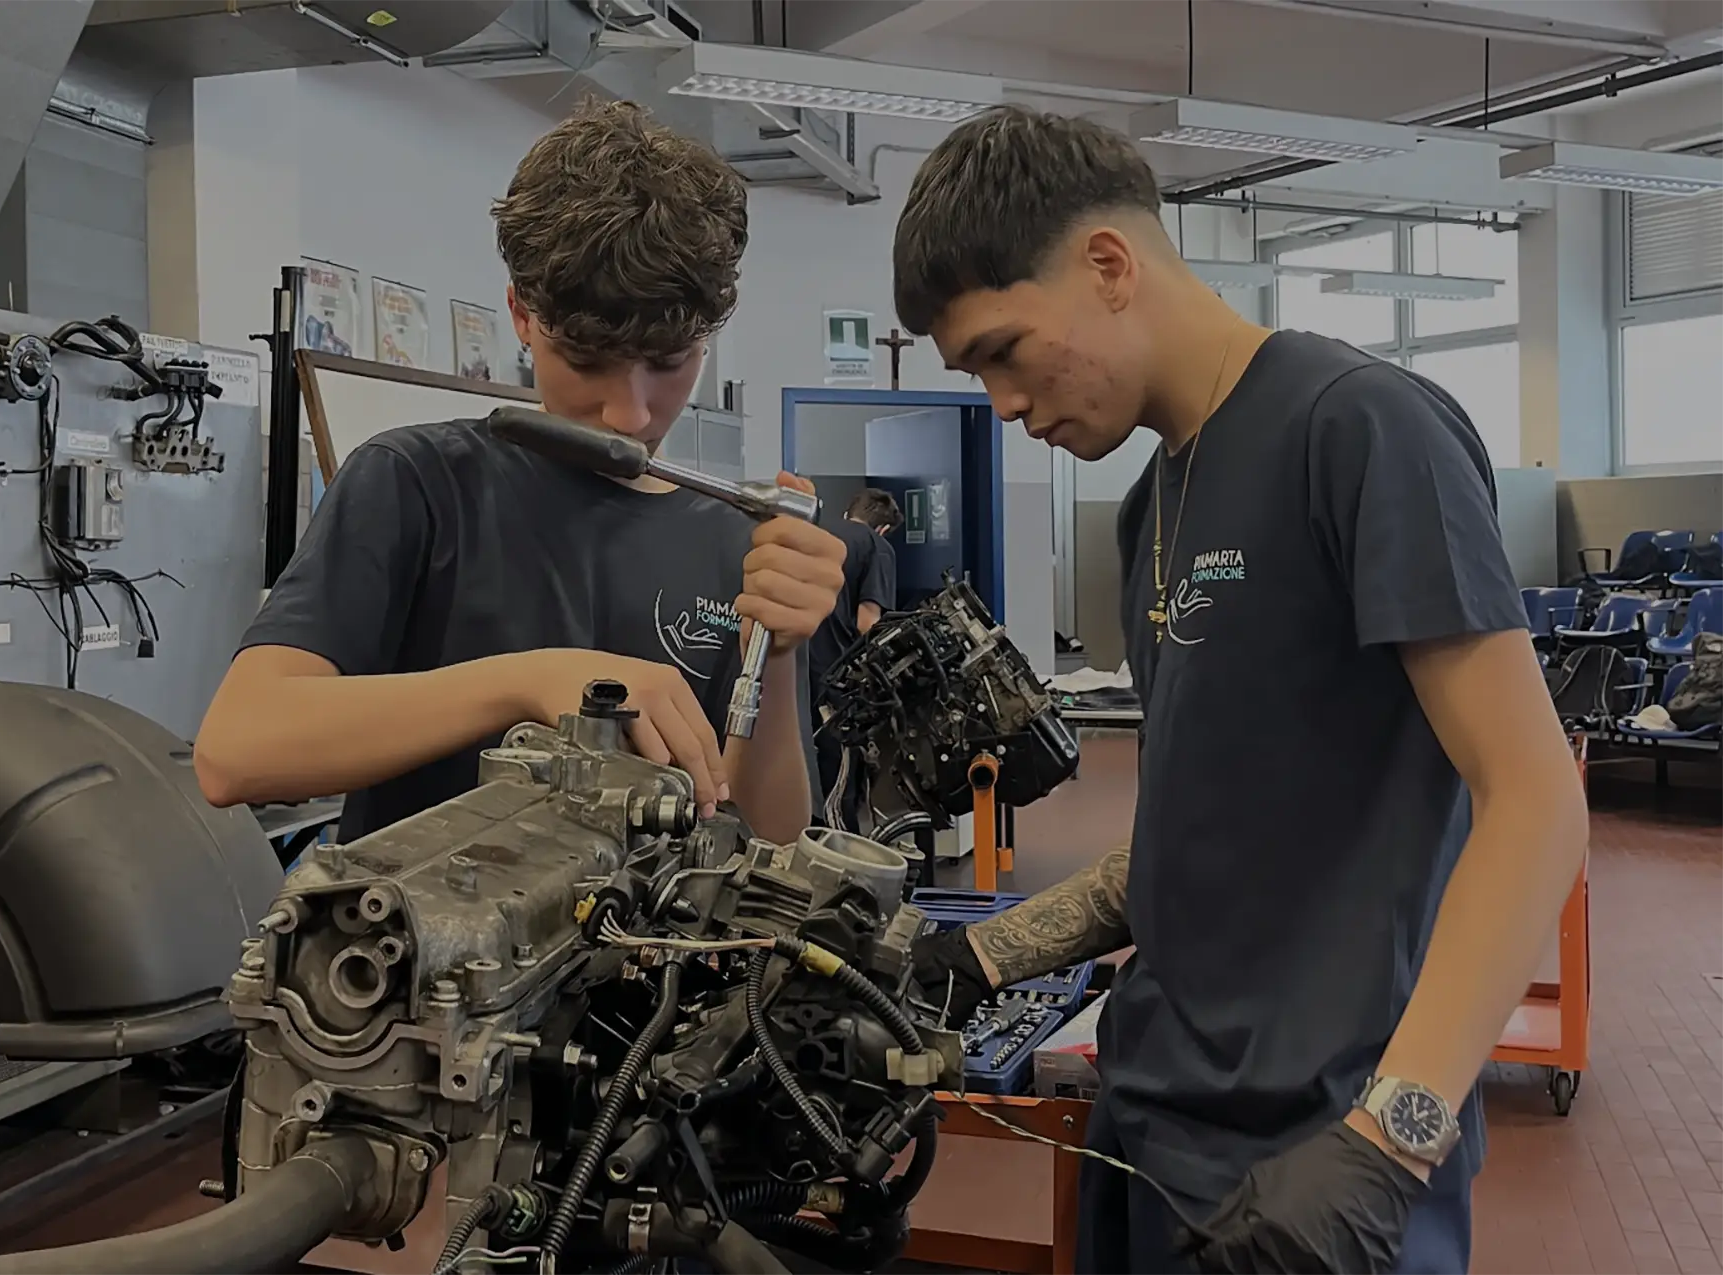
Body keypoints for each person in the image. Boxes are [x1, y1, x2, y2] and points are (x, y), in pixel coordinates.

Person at [893, 106, 1588, 1275]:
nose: (1002, 404)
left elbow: (1533, 801)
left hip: (1327, 1164)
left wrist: (1388, 1149)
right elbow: (1206, 825)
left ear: (1108, 265)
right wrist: (986, 955)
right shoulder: (1150, 506)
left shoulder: (1360, 428)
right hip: (1155, 1125)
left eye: (1004, 352)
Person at [194, 99, 845, 848]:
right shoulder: (416, 485)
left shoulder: (734, 539)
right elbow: (235, 750)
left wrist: (780, 649)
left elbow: (769, 840)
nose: (631, 412)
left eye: (669, 363)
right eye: (588, 361)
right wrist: (528, 681)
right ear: (522, 315)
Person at [809, 487, 901, 830]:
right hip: (833, 677)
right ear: (883, 529)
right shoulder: (877, 546)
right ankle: (839, 851)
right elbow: (867, 623)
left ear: (848, 513)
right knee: (838, 778)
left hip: (790, 669)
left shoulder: (815, 531)